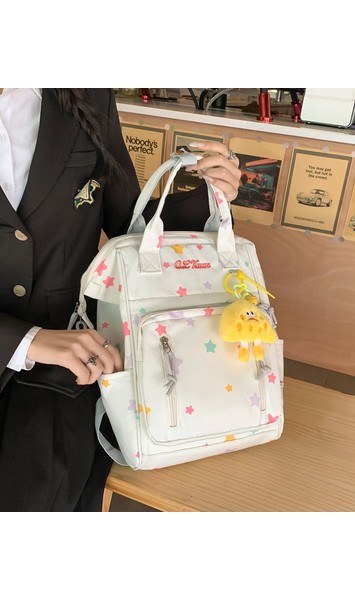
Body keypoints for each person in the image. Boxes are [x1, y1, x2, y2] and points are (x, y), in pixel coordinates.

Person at [0, 88, 241, 511]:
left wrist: (212, 196)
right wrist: (25, 341)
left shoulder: (85, 93)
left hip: (68, 369)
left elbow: (128, 223)